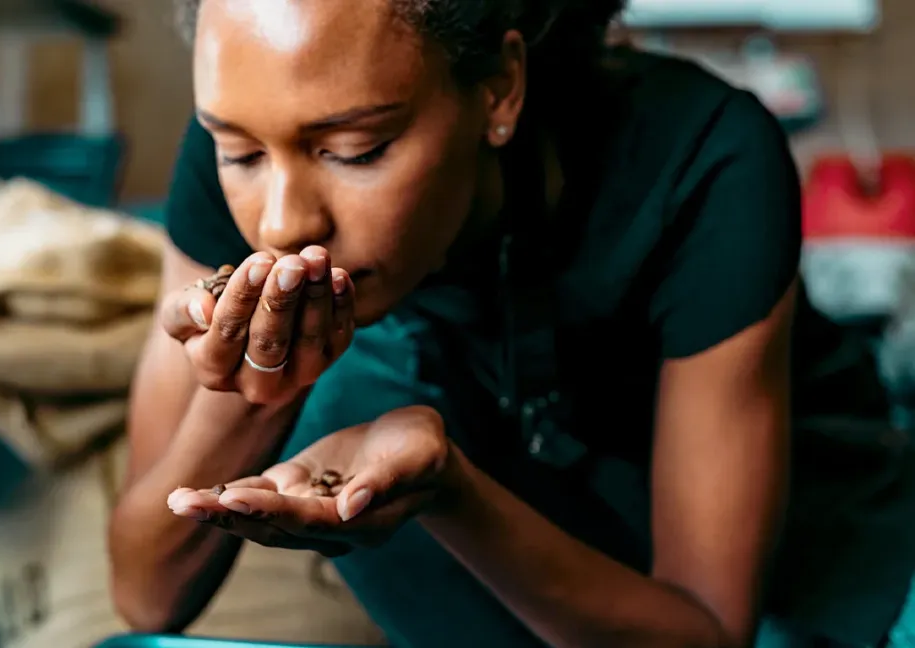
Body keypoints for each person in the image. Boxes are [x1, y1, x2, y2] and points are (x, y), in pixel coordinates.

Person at [109, 0, 915, 646]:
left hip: (807, 582)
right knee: (347, 395)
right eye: (239, 154)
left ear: (497, 85)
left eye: (355, 149)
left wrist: (449, 492)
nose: (282, 223)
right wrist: (259, 394)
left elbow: (704, 626)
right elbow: (146, 594)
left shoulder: (701, 162)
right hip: (523, 580)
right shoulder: (246, 135)